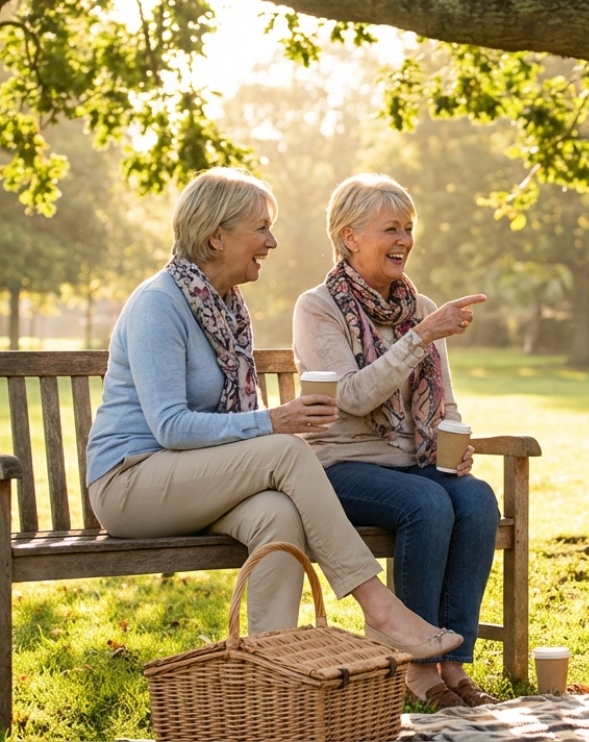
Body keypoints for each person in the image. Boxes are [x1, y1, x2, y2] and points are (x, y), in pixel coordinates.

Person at [85, 168, 462, 662]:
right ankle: (378, 607)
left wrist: (272, 424)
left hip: (194, 480)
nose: (273, 241)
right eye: (260, 228)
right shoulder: (160, 305)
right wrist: (273, 421)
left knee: (279, 515)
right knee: (285, 450)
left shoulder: (226, 309)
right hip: (132, 483)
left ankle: (270, 669)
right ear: (216, 236)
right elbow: (170, 427)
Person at [292, 173, 500, 710]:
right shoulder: (318, 307)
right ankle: (416, 666)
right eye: (391, 228)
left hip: (414, 462)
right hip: (342, 467)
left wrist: (454, 442)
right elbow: (352, 397)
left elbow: (443, 398)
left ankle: (454, 661)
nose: (405, 239)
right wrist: (421, 336)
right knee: (426, 503)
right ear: (349, 236)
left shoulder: (417, 304)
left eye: (409, 227)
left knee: (475, 498)